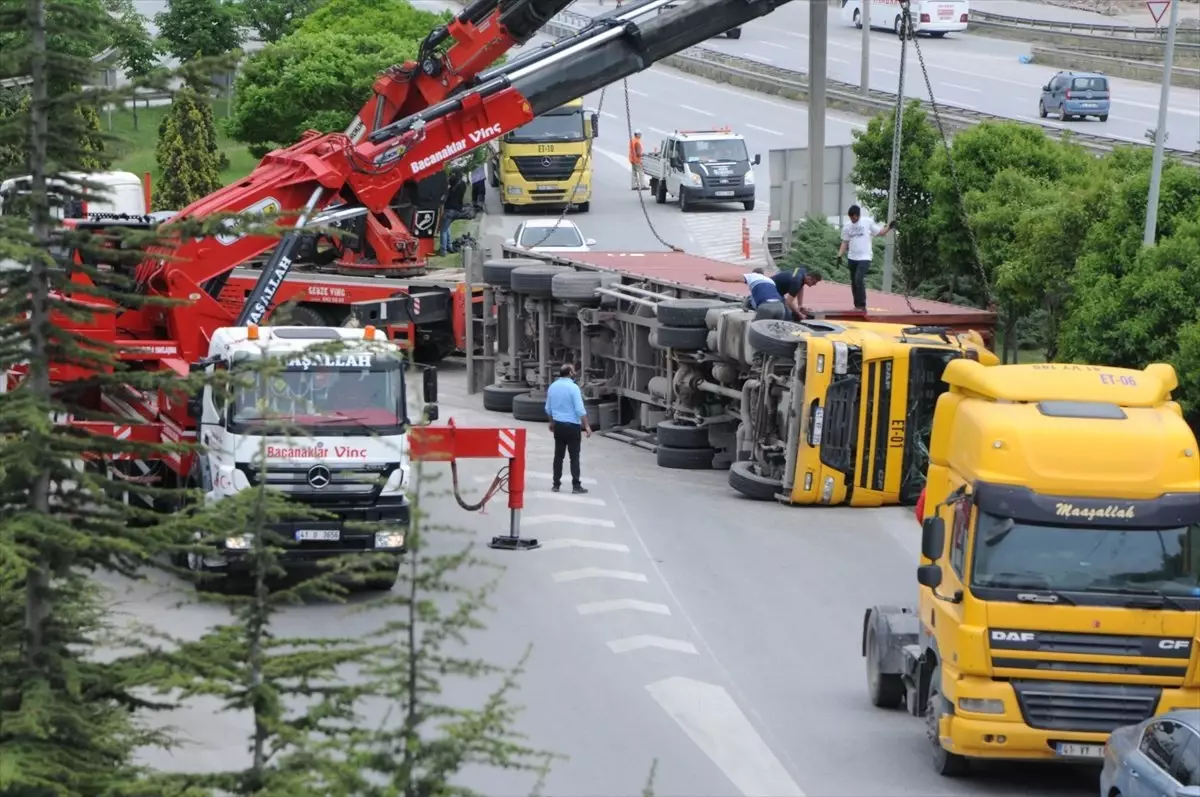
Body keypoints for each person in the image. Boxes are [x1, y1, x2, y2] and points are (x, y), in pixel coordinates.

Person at [836, 204, 897, 313]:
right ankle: (857, 305)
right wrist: (839, 254)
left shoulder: (867, 222)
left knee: (859, 279)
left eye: (854, 217)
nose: (852, 220)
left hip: (864, 257)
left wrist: (889, 227)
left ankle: (862, 305)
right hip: (852, 257)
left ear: (858, 215)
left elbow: (880, 233)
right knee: (854, 282)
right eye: (850, 218)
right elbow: (845, 241)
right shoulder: (847, 226)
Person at [544, 363, 592, 494]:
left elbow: (548, 408)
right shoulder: (574, 388)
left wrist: (552, 422)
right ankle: (576, 486)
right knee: (574, 457)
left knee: (558, 456)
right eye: (573, 370)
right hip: (572, 426)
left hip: (559, 425)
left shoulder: (553, 387)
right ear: (570, 373)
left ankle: (556, 485)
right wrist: (587, 426)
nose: (575, 372)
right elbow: (580, 409)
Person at [704, 268, 789, 320]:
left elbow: (734, 278)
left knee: (756, 331)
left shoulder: (753, 276)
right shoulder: (770, 281)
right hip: (780, 308)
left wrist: (714, 277)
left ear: (753, 273)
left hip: (767, 307)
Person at [440, 172, 470, 254]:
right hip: (457, 211)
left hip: (449, 211)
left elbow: (443, 200)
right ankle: (449, 246)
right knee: (447, 228)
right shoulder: (463, 186)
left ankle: (443, 250)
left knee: (443, 231)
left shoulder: (450, 191)